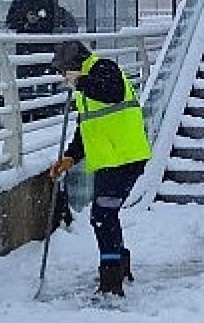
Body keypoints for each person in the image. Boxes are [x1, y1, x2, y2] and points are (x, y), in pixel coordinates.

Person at [48, 40, 152, 297]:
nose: (63, 76)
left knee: (102, 217)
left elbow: (112, 92)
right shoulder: (87, 88)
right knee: (107, 215)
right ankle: (120, 264)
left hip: (126, 158)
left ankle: (111, 280)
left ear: (76, 64)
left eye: (64, 70)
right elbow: (88, 128)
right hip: (109, 161)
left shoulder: (104, 69)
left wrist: (80, 82)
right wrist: (71, 157)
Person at [5, 0, 78, 122]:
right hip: (26, 48)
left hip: (44, 47)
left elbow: (61, 19)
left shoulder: (49, 2)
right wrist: (25, 21)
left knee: (43, 79)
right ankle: (26, 111)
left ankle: (42, 110)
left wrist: (42, 22)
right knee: (25, 81)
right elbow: (10, 22)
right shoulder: (20, 2)